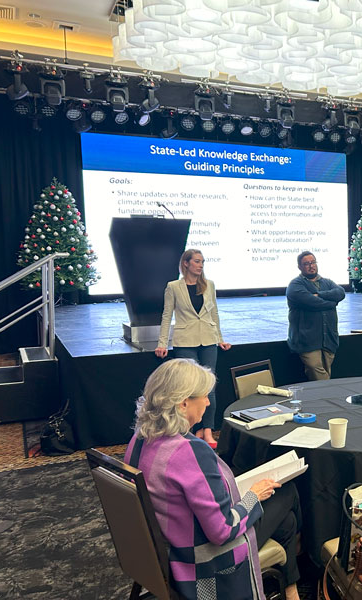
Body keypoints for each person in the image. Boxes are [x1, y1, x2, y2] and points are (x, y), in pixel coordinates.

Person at [125, 359, 302, 600]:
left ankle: (290, 586)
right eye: (205, 397)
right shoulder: (189, 452)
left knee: (286, 522)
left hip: (162, 551)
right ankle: (297, 579)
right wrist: (253, 496)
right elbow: (223, 530)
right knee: (287, 491)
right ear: (184, 403)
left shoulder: (139, 439)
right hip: (203, 561)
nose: (208, 403)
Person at [156, 249, 231, 448]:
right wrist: (162, 342)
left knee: (209, 385)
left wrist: (220, 338)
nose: (200, 265)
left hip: (208, 338)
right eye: (197, 261)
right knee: (188, 387)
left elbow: (214, 314)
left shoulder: (209, 285)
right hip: (185, 340)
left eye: (202, 262)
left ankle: (207, 430)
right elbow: (166, 315)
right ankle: (188, 430)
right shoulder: (173, 287)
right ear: (186, 263)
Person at [287, 251, 346, 380]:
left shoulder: (327, 282)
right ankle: (330, 393)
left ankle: (322, 398)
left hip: (328, 338)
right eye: (306, 264)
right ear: (300, 267)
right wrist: (332, 302)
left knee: (325, 371)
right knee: (316, 369)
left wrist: (319, 295)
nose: (311, 266)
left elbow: (340, 293)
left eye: (313, 262)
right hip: (307, 339)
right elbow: (311, 302)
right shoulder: (295, 285)